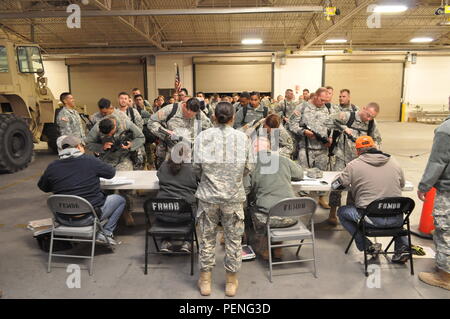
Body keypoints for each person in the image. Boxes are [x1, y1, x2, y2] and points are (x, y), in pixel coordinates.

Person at [193, 102, 253, 297]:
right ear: (233, 117)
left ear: (214, 117)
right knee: (234, 241)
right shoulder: (242, 138)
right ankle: (231, 283)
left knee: (206, 239)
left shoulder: (203, 137)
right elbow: (249, 167)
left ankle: (205, 281)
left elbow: (195, 168)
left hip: (208, 197)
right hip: (233, 198)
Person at [332, 136, 410, 263]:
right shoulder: (394, 161)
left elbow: (336, 186)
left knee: (342, 212)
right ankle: (402, 249)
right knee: (396, 206)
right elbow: (401, 185)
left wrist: (339, 176)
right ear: (375, 147)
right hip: (397, 221)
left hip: (371, 220)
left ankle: (368, 247)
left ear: (357, 151)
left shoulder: (354, 165)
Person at [37, 135, 125, 245]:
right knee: (119, 199)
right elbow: (111, 173)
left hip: (62, 218)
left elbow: (43, 187)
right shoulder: (89, 161)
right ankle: (106, 233)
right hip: (88, 217)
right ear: (78, 147)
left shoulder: (52, 166)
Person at [245, 136, 303, 260]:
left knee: (250, 207)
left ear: (253, 149)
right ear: (269, 148)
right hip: (291, 216)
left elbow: (246, 189)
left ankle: (264, 247)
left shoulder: (251, 164)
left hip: (269, 219)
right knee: (275, 205)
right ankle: (277, 248)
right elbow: (299, 174)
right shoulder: (283, 159)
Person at [327, 102, 382, 225]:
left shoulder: (372, 123)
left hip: (359, 161)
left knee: (355, 188)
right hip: (342, 156)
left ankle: (349, 214)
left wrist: (375, 146)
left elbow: (377, 139)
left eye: (372, 117)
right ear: (363, 108)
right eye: (368, 115)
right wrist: (343, 128)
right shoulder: (348, 116)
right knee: (337, 185)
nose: (369, 118)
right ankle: (332, 211)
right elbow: (330, 119)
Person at [417, 115, 450, 290]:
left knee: (445, 231)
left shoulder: (446, 129)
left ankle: (445, 276)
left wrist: (424, 186)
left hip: (448, 191)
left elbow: (437, 162)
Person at [289, 87, 336, 208]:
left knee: (322, 175)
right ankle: (303, 200)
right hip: (306, 147)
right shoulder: (302, 107)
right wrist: (303, 132)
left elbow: (332, 126)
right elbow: (291, 124)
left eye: (326, 100)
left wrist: (330, 138)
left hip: (322, 149)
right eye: (321, 100)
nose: (323, 103)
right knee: (303, 174)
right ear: (315, 96)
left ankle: (321, 198)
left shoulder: (328, 109)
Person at [156, 147, 199, 253]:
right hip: (185, 214)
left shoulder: (163, 166)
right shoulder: (192, 168)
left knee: (168, 205)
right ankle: (187, 242)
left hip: (163, 213)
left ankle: (165, 241)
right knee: (194, 206)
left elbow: (159, 176)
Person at [148, 97, 212, 168]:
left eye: (193, 115)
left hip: (191, 158)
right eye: (188, 114)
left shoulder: (199, 114)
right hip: (171, 157)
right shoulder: (170, 110)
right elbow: (151, 122)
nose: (190, 117)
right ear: (184, 106)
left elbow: (210, 129)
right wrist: (165, 134)